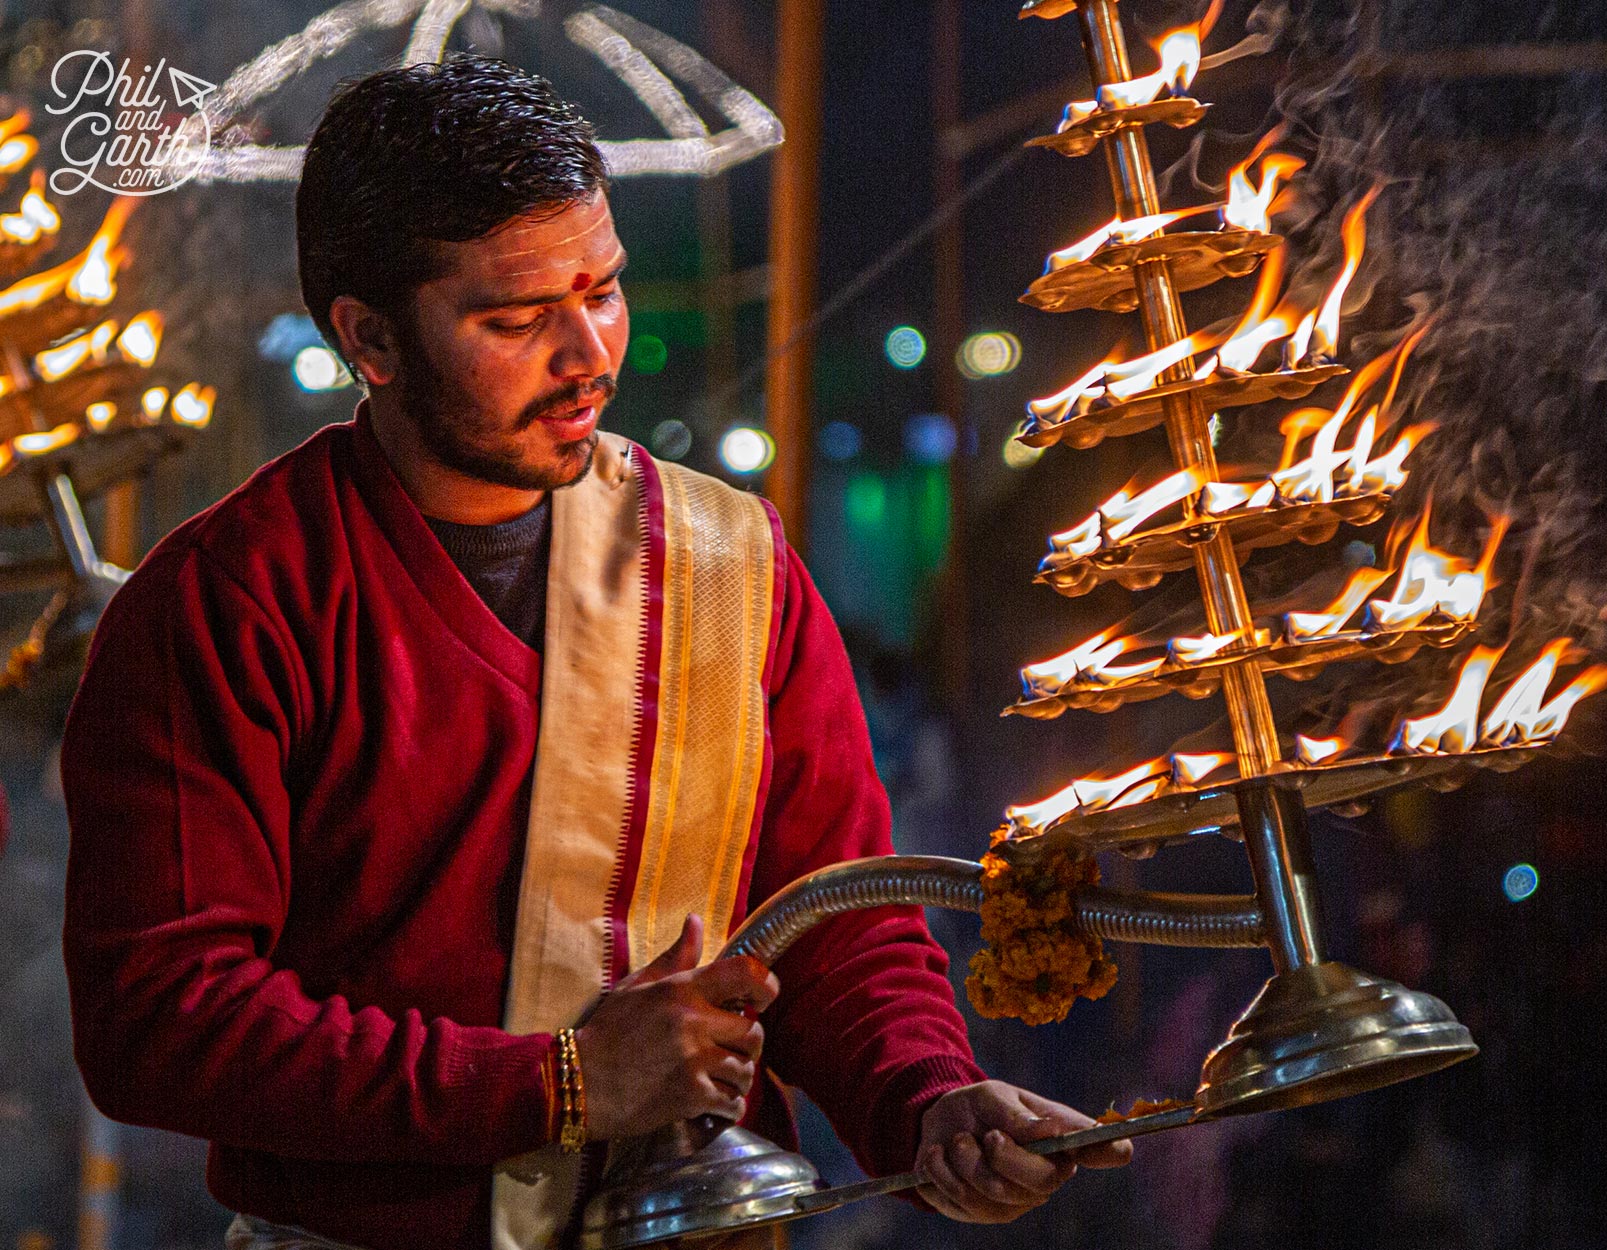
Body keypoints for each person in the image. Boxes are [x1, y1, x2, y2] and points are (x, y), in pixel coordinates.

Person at [60, 56, 1125, 1250]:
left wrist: (926, 1096)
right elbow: (163, 1020)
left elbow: (834, 915)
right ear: (371, 337)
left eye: (604, 292)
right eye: (516, 319)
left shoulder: (728, 563)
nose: (589, 358)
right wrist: (561, 1082)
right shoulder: (229, 601)